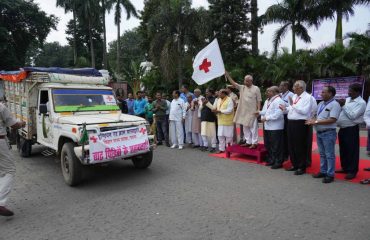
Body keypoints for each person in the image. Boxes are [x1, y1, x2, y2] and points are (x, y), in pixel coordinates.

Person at [306, 86, 341, 183]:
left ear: (330, 93)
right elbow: (317, 115)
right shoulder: (321, 103)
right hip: (320, 133)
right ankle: (323, 171)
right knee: (322, 154)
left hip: (328, 133)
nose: (321, 94)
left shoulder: (335, 104)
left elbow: (332, 119)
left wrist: (316, 122)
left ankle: (330, 175)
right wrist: (311, 120)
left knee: (329, 154)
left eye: (323, 92)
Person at [279, 80, 313, 175]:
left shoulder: (308, 97)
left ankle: (302, 166)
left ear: (301, 88)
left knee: (300, 145)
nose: (293, 88)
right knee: (291, 144)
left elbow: (304, 111)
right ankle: (295, 164)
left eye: (295, 87)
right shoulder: (295, 96)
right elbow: (291, 108)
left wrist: (292, 105)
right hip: (291, 122)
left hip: (301, 123)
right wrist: (285, 109)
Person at [336, 84, 366, 180]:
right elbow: (342, 111)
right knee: (343, 149)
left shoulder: (361, 103)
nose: (348, 92)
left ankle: (352, 171)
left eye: (351, 91)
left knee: (352, 151)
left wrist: (343, 105)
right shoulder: (348, 99)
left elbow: (353, 116)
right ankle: (345, 168)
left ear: (357, 92)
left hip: (351, 129)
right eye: (349, 90)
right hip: (342, 128)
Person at [0, 102, 26, 216]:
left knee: (2, 171)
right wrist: (22, 123)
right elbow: (13, 124)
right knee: (9, 170)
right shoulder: (1, 107)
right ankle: (1, 202)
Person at [225, 72, 262, 149]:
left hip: (252, 112)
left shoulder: (256, 88)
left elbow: (259, 100)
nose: (245, 82)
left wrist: (258, 110)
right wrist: (228, 76)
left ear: (251, 81)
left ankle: (254, 143)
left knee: (253, 128)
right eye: (245, 81)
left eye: (247, 81)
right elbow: (234, 83)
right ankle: (248, 142)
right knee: (245, 127)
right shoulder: (242, 87)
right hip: (243, 111)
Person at [256, 86, 285, 169]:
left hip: (276, 127)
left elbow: (278, 114)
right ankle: (271, 159)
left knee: (277, 145)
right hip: (268, 126)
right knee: (269, 144)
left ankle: (278, 162)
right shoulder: (268, 101)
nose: (266, 93)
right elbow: (266, 111)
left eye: (269, 91)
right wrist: (259, 113)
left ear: (275, 92)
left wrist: (266, 118)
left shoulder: (279, 100)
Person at [208, 89, 234, 154]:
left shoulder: (229, 99)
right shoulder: (218, 100)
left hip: (228, 121)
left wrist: (220, 111)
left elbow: (230, 110)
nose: (218, 94)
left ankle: (229, 150)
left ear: (224, 94)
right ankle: (221, 149)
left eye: (219, 93)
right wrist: (213, 109)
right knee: (220, 136)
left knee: (228, 136)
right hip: (220, 121)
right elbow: (214, 108)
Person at [279, 81, 294, 160]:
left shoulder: (291, 95)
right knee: (281, 135)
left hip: (287, 116)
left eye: (281, 86)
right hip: (280, 116)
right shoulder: (280, 95)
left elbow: (292, 106)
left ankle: (287, 154)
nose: (279, 87)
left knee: (286, 135)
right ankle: (283, 152)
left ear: (286, 87)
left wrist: (283, 104)